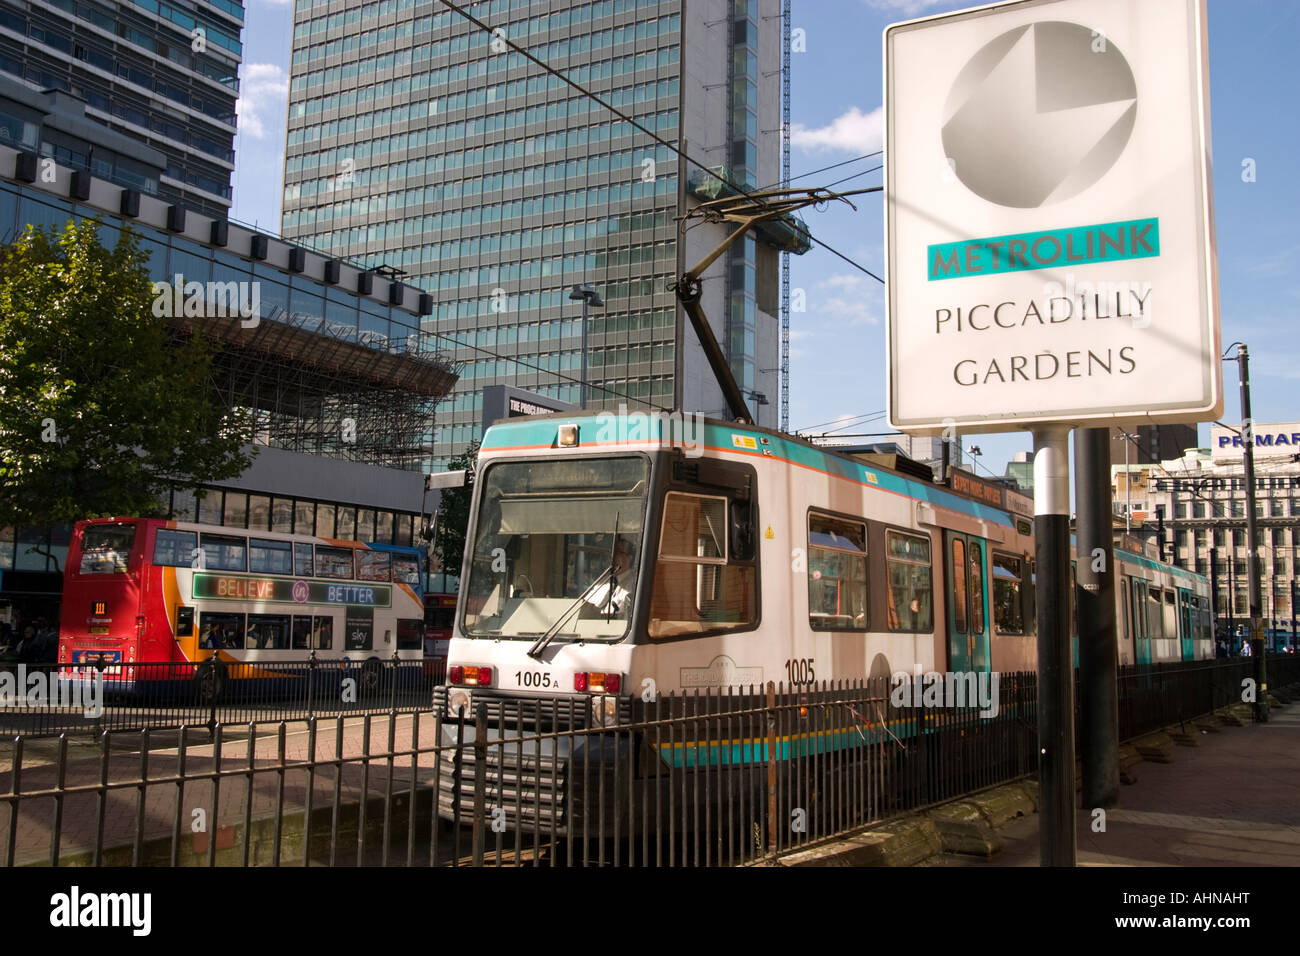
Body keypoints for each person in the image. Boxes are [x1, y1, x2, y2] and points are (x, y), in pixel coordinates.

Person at [585, 537, 634, 616]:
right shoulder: (603, 582)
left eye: (618, 553)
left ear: (630, 558)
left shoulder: (634, 584)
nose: (613, 557)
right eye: (611, 552)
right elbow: (586, 608)